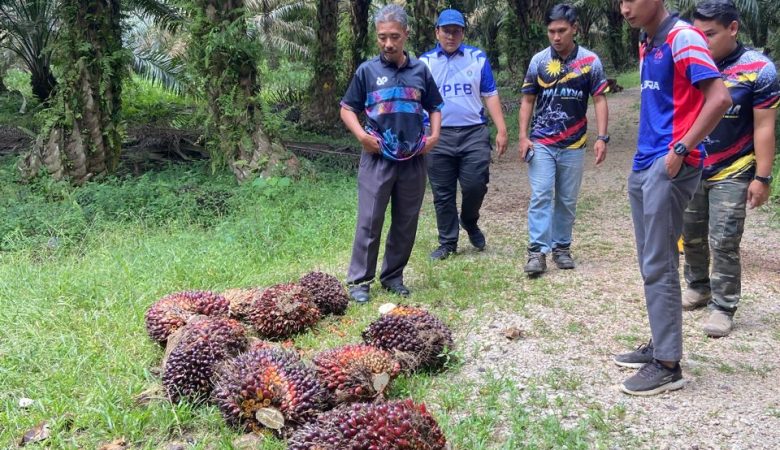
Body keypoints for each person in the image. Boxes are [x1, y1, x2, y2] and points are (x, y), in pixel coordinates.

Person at [614, 0, 732, 396]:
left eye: (632, 0)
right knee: (651, 259)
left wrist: (680, 150)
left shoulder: (683, 38)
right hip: (646, 163)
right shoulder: (649, 42)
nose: (624, 8)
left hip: (670, 165)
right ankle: (660, 346)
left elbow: (719, 98)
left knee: (659, 262)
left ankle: (668, 364)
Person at [683, 0, 779, 337]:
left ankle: (723, 306)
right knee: (690, 234)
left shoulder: (759, 69)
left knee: (723, 239)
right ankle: (697, 285)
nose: (703, 41)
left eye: (710, 34)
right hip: (692, 165)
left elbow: (764, 127)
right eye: (698, 33)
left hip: (734, 169)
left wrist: (763, 177)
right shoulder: (691, 63)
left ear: (733, 28)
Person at [339, 4, 444, 304]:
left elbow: (435, 106)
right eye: (382, 37)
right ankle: (360, 281)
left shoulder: (420, 71)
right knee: (369, 220)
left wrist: (434, 135)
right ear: (377, 36)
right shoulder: (367, 71)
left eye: (394, 36)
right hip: (376, 159)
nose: (388, 43)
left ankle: (392, 276)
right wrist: (361, 135)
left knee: (405, 221)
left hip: (413, 158)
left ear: (405, 35)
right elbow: (347, 108)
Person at [518, 3, 609, 276]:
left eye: (561, 31)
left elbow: (600, 99)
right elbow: (527, 100)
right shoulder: (539, 61)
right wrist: (522, 137)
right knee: (542, 194)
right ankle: (537, 252)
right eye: (551, 31)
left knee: (567, 199)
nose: (556, 37)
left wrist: (602, 137)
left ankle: (561, 248)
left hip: (574, 144)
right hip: (542, 142)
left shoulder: (590, 62)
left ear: (574, 29)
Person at [418, 9, 508, 260]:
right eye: (446, 30)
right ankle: (448, 242)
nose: (451, 35)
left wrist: (501, 129)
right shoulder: (424, 63)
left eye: (456, 31)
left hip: (473, 134)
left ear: (463, 33)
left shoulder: (477, 58)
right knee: (442, 193)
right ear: (437, 32)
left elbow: (489, 94)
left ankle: (469, 220)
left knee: (475, 184)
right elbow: (416, 98)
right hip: (438, 135)